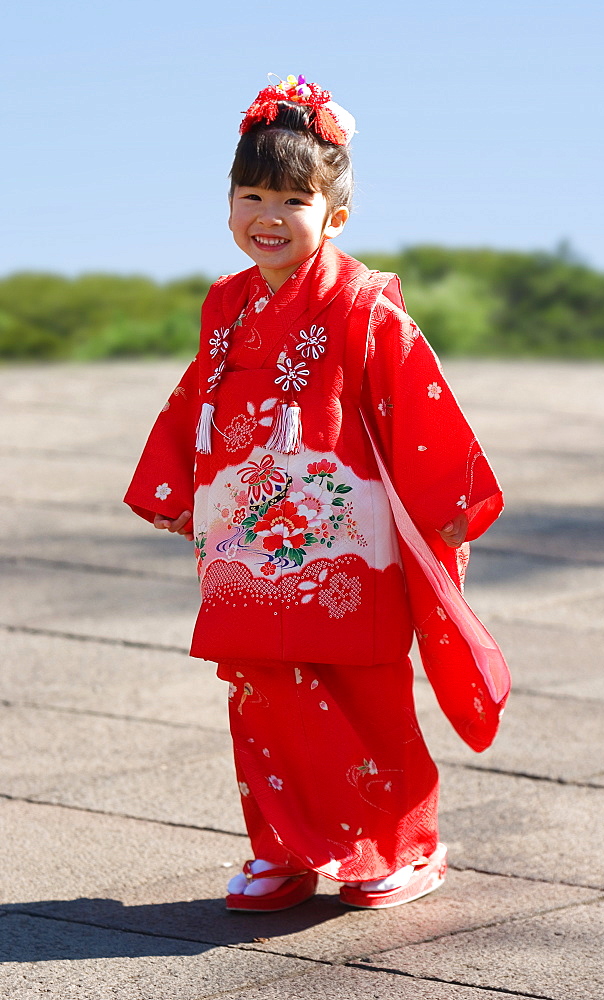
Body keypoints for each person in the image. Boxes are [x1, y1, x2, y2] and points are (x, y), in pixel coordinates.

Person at [124, 74, 510, 913]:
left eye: (292, 198)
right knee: (262, 691)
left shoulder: (366, 308)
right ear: (227, 202)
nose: (267, 213)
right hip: (245, 535)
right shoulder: (225, 305)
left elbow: (420, 403)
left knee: (363, 687)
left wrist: (446, 497)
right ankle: (283, 849)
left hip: (342, 538)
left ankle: (399, 846)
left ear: (333, 216)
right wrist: (170, 482)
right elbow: (197, 396)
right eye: (250, 193)